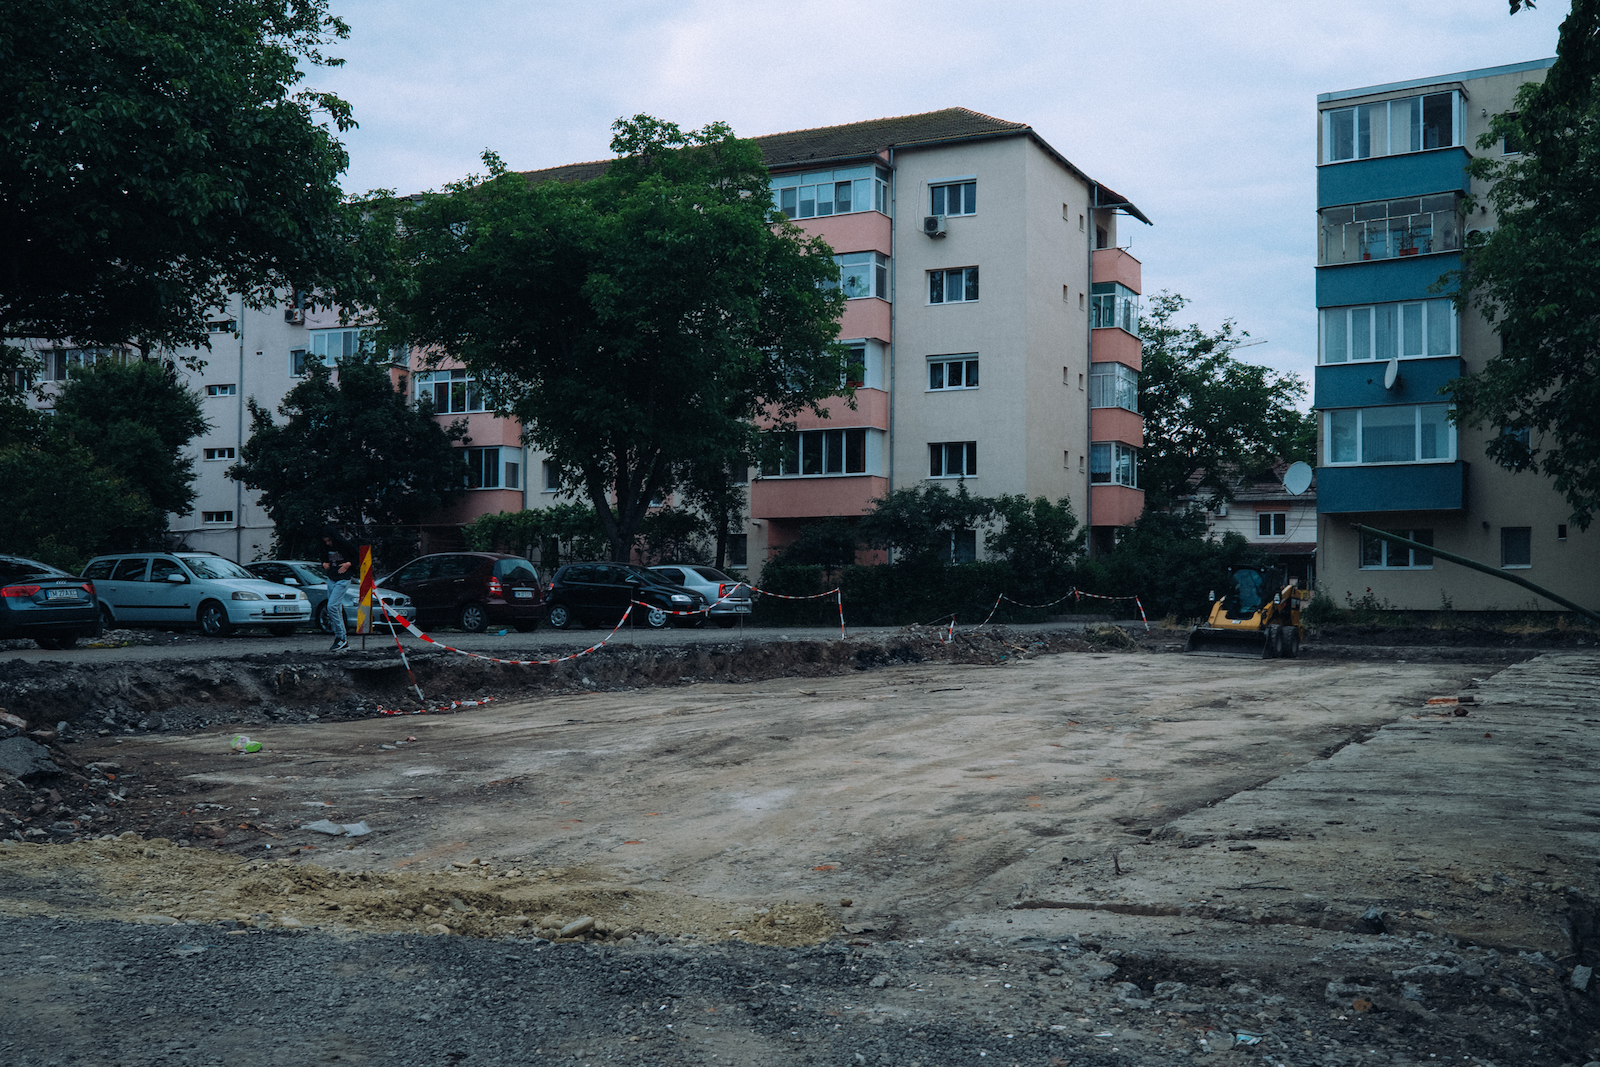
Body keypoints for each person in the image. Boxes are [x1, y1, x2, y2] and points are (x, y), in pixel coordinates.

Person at [318, 525, 360, 651]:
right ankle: (341, 638)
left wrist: (348, 564)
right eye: (325, 541)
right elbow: (323, 557)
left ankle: (341, 637)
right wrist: (324, 563)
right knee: (335, 608)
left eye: (329, 540)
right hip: (331, 578)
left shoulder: (344, 544)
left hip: (343, 579)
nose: (328, 543)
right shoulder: (324, 547)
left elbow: (357, 556)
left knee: (332, 606)